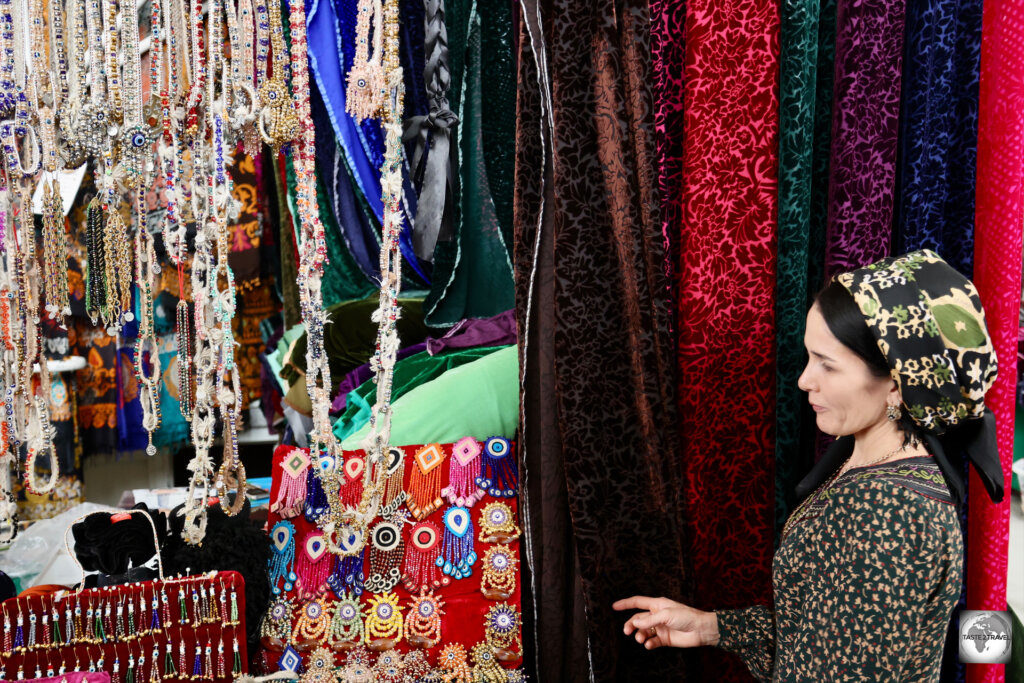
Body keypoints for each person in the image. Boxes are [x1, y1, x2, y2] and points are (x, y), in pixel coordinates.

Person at [613, 250, 1006, 681]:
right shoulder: (876, 464)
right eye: (809, 357)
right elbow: (823, 640)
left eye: (827, 365)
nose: (804, 380)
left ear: (897, 383)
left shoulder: (886, 512)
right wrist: (712, 627)